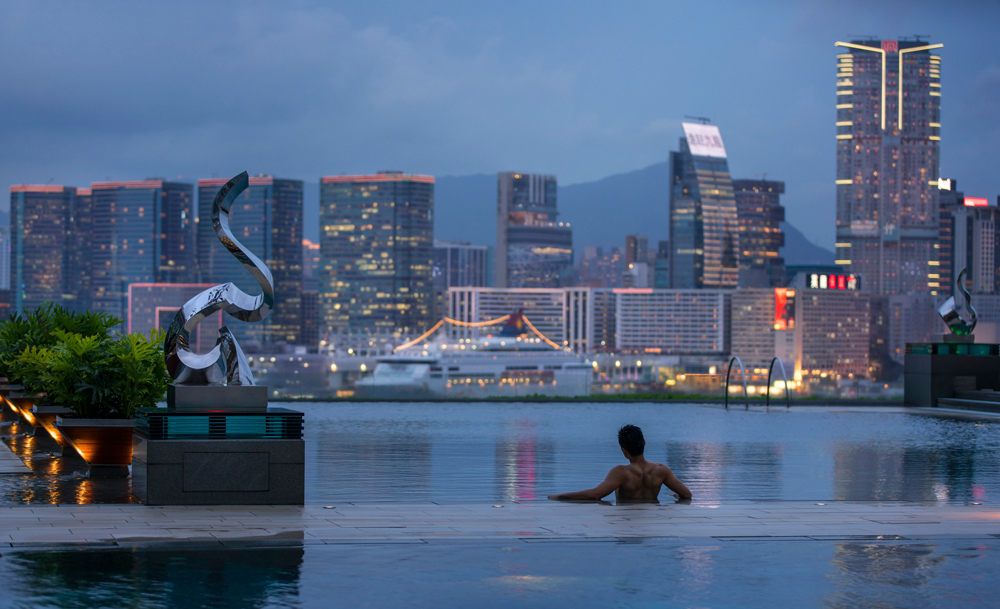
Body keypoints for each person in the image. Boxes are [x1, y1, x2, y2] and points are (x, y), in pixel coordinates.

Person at [548, 424, 691, 502]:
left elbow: (595, 495)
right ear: (645, 443)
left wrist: (560, 496)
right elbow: (687, 495)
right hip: (650, 519)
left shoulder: (621, 472)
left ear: (624, 451)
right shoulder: (661, 470)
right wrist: (676, 496)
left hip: (626, 519)